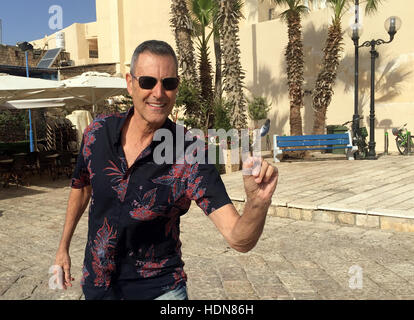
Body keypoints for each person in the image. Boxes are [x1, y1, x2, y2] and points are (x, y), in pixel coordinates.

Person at [54, 40, 278, 300]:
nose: (158, 93)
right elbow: (81, 188)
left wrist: (257, 203)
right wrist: (63, 247)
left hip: (159, 291)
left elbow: (239, 239)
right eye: (148, 81)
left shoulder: (190, 153)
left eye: (168, 83)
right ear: (130, 83)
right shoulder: (97, 133)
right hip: (98, 286)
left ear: (176, 88)